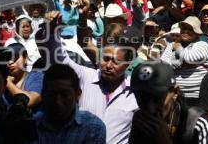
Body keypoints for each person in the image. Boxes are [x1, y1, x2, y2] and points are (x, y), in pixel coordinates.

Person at [35, 11, 139, 144]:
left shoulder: (136, 92)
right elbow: (58, 59)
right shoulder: (85, 76)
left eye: (115, 62)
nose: (108, 65)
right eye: (105, 59)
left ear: (127, 64)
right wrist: (51, 32)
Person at [130, 62, 208, 144]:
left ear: (175, 92)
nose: (151, 109)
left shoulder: (197, 124)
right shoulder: (141, 120)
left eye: (157, 98)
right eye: (142, 98)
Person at [32, 64, 106, 144]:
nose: (58, 102)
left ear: (78, 94)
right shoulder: (31, 126)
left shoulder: (93, 128)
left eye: (64, 95)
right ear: (43, 94)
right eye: (52, 94)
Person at [161, 16, 208, 107]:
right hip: (174, 94)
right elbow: (164, 64)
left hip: (195, 95)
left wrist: (178, 48)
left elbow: (190, 58)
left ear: (197, 33)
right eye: (184, 28)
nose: (186, 31)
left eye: (190, 29)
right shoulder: (172, 45)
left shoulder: (202, 45)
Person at [1, 43, 43, 120]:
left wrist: (8, 82)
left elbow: (29, 100)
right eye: (7, 58)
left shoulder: (37, 77)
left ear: (25, 58)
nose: (10, 62)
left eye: (14, 57)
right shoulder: (0, 84)